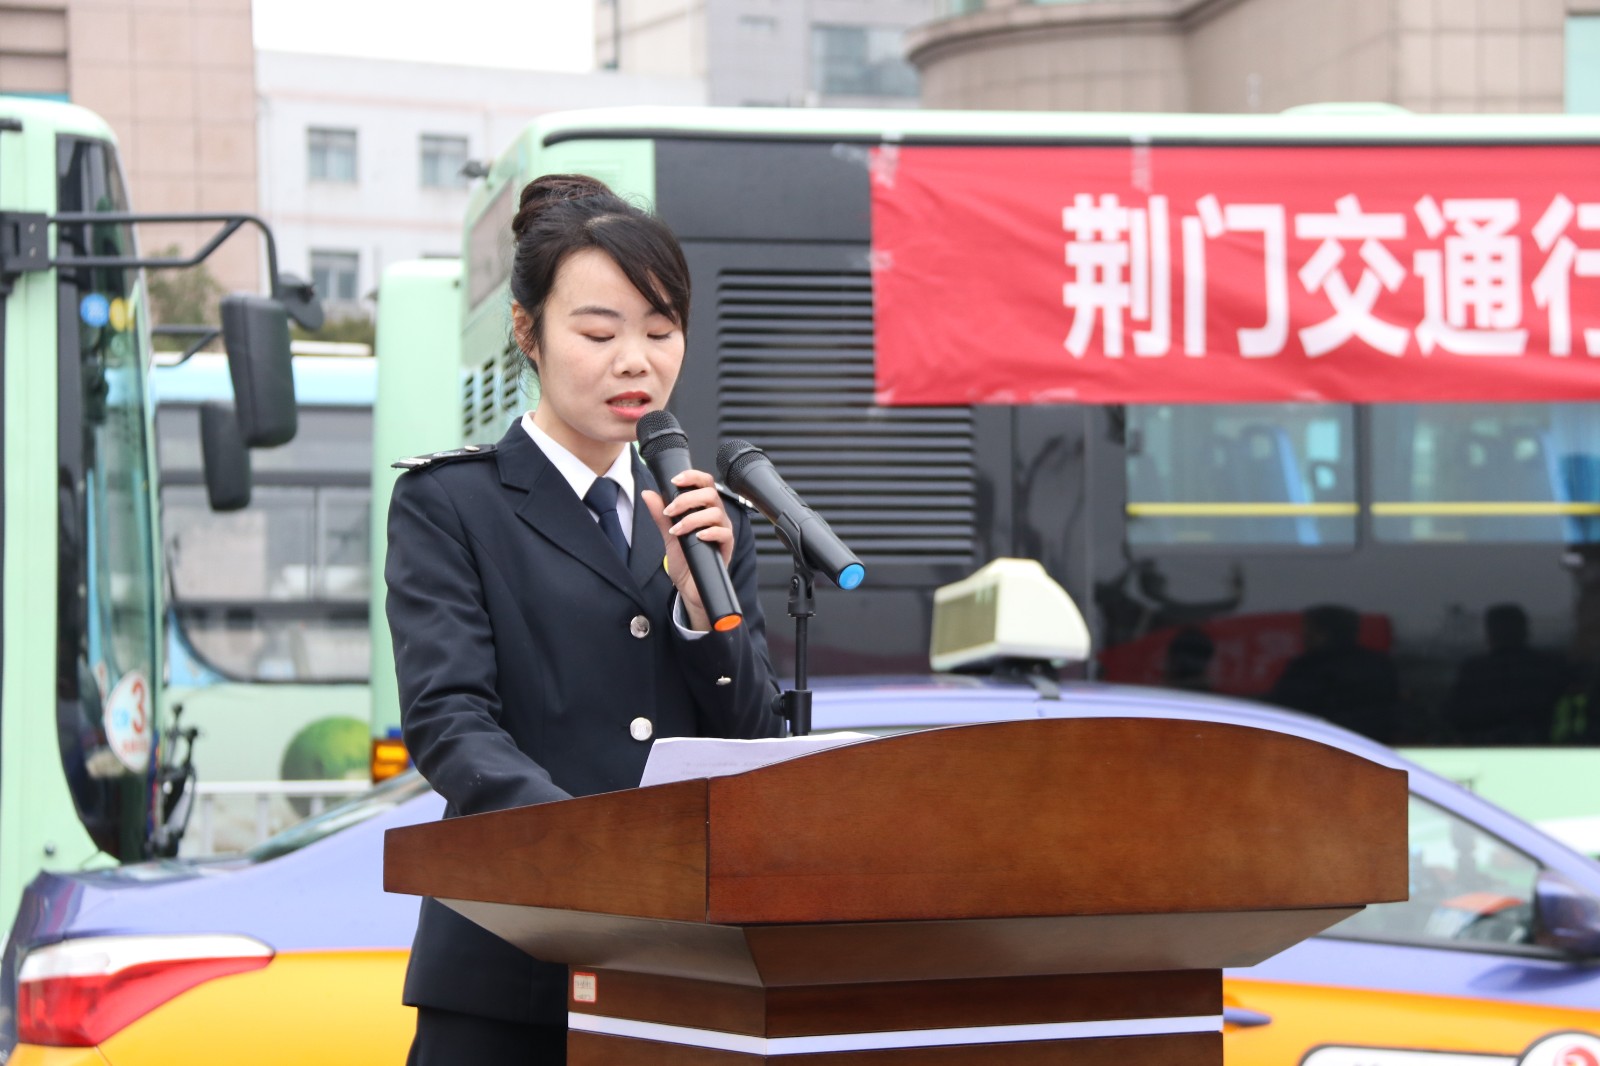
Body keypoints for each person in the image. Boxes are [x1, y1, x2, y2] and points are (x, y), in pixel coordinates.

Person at [385, 173, 782, 1064]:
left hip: (680, 971)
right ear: (528, 332)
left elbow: (755, 741)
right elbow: (449, 721)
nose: (635, 362)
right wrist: (592, 853)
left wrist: (698, 610)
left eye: (660, 331)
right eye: (599, 333)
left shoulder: (706, 519)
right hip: (505, 968)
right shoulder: (451, 502)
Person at [1267, 604, 1399, 743]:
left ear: (1322, 633)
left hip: (1323, 743)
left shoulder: (1308, 667)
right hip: (1376, 745)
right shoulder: (1379, 664)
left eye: (1309, 629)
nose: (1303, 635)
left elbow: (1283, 709)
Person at [1444, 604, 1569, 745]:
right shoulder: (1550, 666)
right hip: (1545, 750)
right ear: (1525, 631)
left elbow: (1455, 717)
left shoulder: (1474, 671)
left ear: (1490, 633)